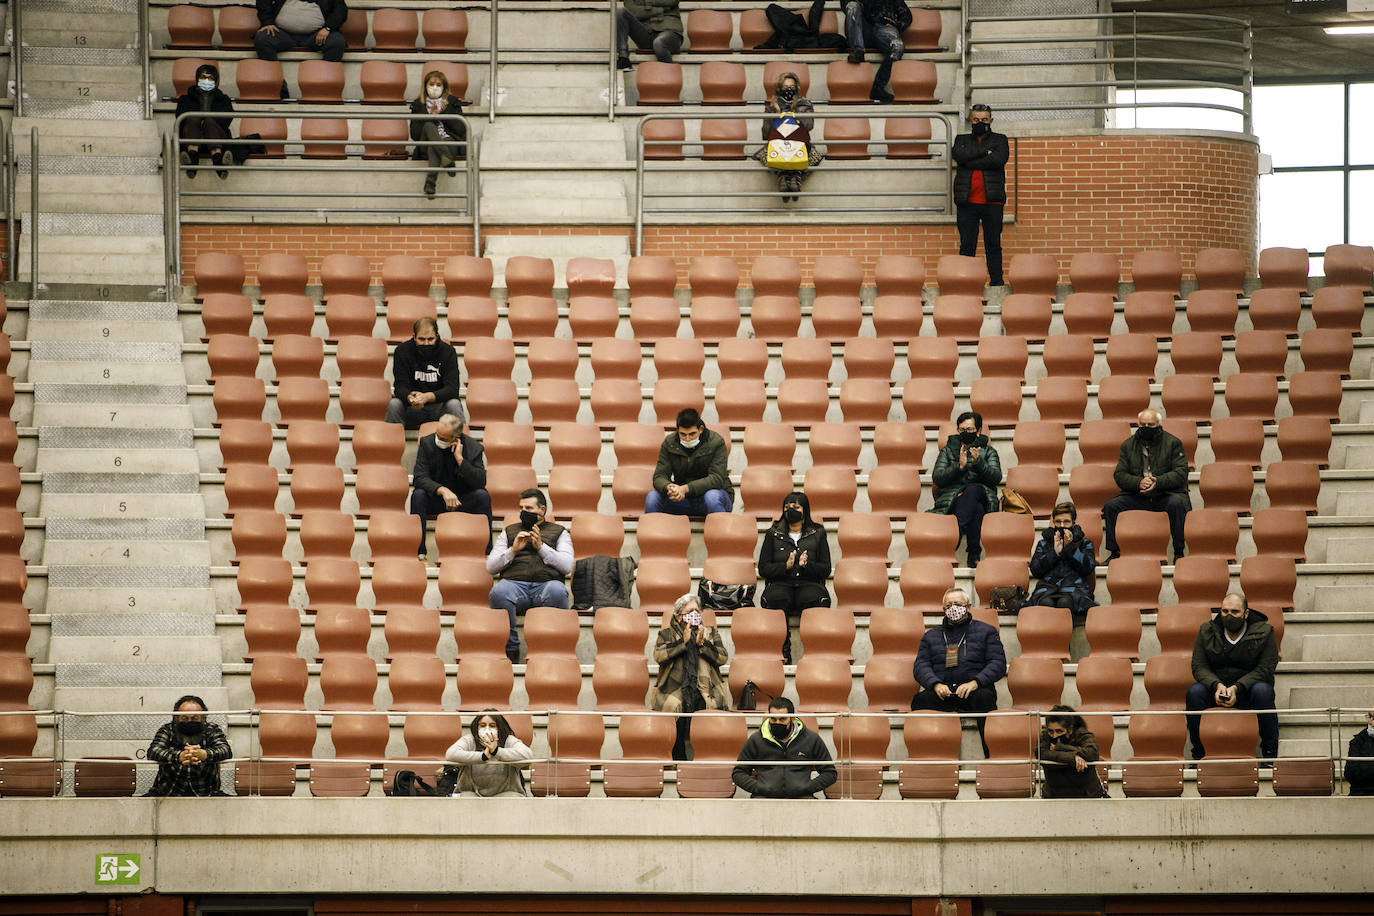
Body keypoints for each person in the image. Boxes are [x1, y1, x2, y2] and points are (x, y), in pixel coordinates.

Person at [911, 588, 1007, 757]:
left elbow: (998, 663)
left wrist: (976, 682)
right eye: (948, 605)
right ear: (943, 609)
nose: (953, 608)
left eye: (958, 604)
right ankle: (926, 757)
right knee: (920, 700)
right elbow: (921, 666)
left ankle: (992, 756)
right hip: (943, 693)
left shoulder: (987, 632)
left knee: (984, 697)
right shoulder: (930, 636)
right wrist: (935, 684)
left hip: (974, 691)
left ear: (968, 607)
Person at [1185, 593, 1279, 762]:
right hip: (1217, 691)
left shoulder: (1265, 632)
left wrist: (1237, 687)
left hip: (1248, 692)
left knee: (1263, 691)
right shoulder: (1207, 630)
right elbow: (1199, 666)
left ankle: (1270, 756)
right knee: (1194, 692)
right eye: (1225, 611)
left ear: (1246, 614)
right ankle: (1198, 755)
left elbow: (1265, 669)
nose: (1229, 616)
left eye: (1235, 612)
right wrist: (1216, 685)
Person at [486, 488, 574, 663]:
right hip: (515, 585)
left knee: (558, 591)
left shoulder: (559, 532)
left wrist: (541, 547)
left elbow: (567, 566)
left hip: (546, 585)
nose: (523, 512)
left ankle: (547, 649)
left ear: (542, 510)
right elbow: (490, 567)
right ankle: (511, 649)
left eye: (529, 508)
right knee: (498, 592)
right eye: (521, 508)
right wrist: (513, 550)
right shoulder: (509, 531)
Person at [1101, 408, 1190, 562]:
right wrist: (1138, 483)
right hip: (1137, 495)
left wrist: (1158, 482)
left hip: (1165, 494)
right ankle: (1115, 553)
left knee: (1176, 504)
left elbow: (1181, 473)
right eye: (1143, 425)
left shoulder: (1173, 443)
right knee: (1111, 506)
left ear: (1159, 425)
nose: (1146, 429)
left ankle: (1178, 552)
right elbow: (1120, 475)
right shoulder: (1128, 445)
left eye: (1150, 425)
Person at [652, 593, 731, 760]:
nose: (695, 614)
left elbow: (723, 657)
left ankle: (704, 759)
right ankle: (678, 759)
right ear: (678, 615)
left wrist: (703, 644)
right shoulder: (666, 634)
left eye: (697, 610)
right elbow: (658, 655)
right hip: (674, 688)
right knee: (676, 713)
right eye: (690, 611)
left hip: (705, 689)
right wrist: (683, 642)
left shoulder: (710, 633)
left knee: (704, 715)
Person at [758, 491, 832, 665]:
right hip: (781, 583)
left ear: (805, 510)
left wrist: (807, 566)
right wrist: (785, 567)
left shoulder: (818, 533)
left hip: (809, 583)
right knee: (775, 598)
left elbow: (826, 568)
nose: (790, 510)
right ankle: (783, 650)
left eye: (796, 507)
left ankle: (815, 652)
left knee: (816, 598)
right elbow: (763, 568)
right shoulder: (772, 533)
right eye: (787, 507)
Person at [409, 413, 491, 561]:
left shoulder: (473, 448)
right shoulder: (427, 443)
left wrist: (460, 460)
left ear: (456, 438)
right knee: (418, 495)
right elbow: (419, 478)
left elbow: (480, 482)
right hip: (437, 499)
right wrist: (442, 490)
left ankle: (486, 551)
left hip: (462, 501)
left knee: (482, 496)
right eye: (437, 434)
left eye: (443, 438)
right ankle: (419, 551)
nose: (438, 439)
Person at [929, 411, 1002, 568]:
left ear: (979, 431)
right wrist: (959, 467)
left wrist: (979, 463)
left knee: (974, 490)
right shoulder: (948, 451)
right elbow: (938, 477)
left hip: (981, 494)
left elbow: (996, 477)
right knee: (977, 508)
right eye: (962, 430)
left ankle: (956, 535)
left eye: (969, 429)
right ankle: (974, 553)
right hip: (954, 499)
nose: (966, 433)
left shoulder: (989, 452)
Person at [731, 697, 836, 798]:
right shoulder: (756, 739)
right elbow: (738, 773)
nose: (777, 723)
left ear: (792, 718)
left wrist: (807, 788)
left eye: (782, 719)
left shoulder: (811, 739)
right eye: (773, 719)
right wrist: (759, 788)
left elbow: (830, 773)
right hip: (763, 798)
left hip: (802, 798)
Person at [952, 103, 1009, 287]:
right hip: (967, 202)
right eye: (976, 120)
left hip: (992, 202)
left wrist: (970, 160)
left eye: (984, 120)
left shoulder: (1000, 140)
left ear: (991, 121)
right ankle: (966, 286)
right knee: (967, 246)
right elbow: (959, 156)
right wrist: (985, 151)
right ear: (970, 120)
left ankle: (996, 283)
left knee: (993, 245)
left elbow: (999, 159)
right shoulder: (961, 139)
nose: (980, 123)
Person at [646, 408, 732, 515]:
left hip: (712, 496)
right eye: (683, 434)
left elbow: (717, 478)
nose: (687, 439)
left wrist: (686, 489)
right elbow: (659, 476)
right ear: (677, 430)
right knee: (652, 497)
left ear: (700, 429)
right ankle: (653, 531)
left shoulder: (716, 442)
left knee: (712, 497)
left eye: (692, 434)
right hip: (682, 499)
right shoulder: (670, 443)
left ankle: (720, 531)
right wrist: (670, 487)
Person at [754, 71, 823, 203]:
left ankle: (788, 178)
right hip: (778, 145)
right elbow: (766, 133)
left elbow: (808, 126)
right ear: (780, 88)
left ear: (796, 88)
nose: (789, 90)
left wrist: (794, 110)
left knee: (813, 156)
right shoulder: (772, 105)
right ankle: (791, 179)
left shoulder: (804, 104)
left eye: (791, 87)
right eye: (786, 87)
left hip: (799, 144)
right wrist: (776, 112)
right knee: (766, 154)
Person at [144, 695, 232, 797]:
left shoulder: (212, 729)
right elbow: (153, 751)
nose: (189, 721)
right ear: (176, 717)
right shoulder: (167, 730)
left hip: (207, 793)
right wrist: (179, 756)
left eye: (195, 718)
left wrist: (203, 754)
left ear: (204, 717)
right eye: (184, 718)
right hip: (167, 793)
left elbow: (226, 750)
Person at [385, 317, 464, 428]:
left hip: (440, 409)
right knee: (394, 404)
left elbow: (452, 389)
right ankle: (392, 444)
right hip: (412, 408)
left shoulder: (448, 352)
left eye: (430, 339)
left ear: (437, 336)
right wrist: (410, 397)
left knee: (454, 405)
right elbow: (400, 387)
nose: (426, 344)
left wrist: (428, 397)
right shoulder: (402, 351)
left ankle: (460, 443)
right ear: (414, 337)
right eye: (421, 339)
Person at [1027, 501, 1098, 618]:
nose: (1062, 525)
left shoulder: (1085, 543)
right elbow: (1035, 570)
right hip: (1047, 589)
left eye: (1066, 522)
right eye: (1058, 522)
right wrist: (1054, 553)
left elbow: (1088, 567)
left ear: (1073, 523)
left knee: (1064, 602)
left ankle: (1063, 635)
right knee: (1046, 603)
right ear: (1053, 522)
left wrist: (1070, 548)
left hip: (1074, 589)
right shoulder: (1044, 543)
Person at [444, 710, 532, 797]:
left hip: (506, 793)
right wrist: (482, 756)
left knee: (513, 798)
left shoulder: (508, 740)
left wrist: (496, 751)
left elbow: (528, 756)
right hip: (472, 794)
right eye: (482, 725)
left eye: (492, 726)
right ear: (477, 727)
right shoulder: (469, 740)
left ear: (499, 727)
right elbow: (450, 754)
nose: (487, 729)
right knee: (466, 797)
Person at [409, 69, 466, 201]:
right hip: (425, 141)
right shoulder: (418, 105)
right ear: (425, 86)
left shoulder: (452, 102)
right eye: (431, 84)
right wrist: (431, 116)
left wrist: (444, 113)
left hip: (448, 140)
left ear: (444, 87)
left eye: (438, 85)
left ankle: (430, 182)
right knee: (429, 126)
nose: (434, 88)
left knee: (433, 147)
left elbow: (460, 129)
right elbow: (414, 134)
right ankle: (446, 157)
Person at [175, 63, 235, 180]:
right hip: (191, 136)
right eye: (203, 77)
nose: (206, 80)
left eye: (210, 78)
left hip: (216, 136)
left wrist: (206, 122)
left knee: (209, 122)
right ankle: (193, 159)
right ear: (197, 79)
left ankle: (217, 161)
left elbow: (226, 120)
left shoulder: (224, 99)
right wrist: (199, 123)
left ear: (215, 81)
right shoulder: (185, 99)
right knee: (192, 118)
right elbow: (180, 118)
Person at [843, 0, 911, 103]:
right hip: (864, 29)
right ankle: (858, 50)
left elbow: (907, 16)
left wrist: (896, 25)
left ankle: (878, 88)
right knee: (852, 6)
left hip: (885, 29)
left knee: (898, 46)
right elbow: (845, 4)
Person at [1038, 705, 1107, 798]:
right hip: (1054, 793)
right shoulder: (1045, 736)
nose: (1054, 736)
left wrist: (1060, 747)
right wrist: (1072, 757)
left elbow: (1092, 753)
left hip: (1086, 794)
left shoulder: (1082, 734)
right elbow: (1041, 753)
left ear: (1070, 730)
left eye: (1059, 731)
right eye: (1051, 731)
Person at [255, 0, 347, 65]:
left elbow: (340, 10)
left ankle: (323, 84)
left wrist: (328, 28)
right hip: (283, 34)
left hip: (316, 35)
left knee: (337, 42)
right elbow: (263, 2)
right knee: (262, 39)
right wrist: (267, 22)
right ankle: (277, 86)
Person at [615, 0, 682, 69]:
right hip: (646, 34)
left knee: (659, 43)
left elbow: (672, 1)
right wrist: (660, 10)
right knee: (620, 12)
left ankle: (668, 76)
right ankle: (623, 58)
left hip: (670, 31)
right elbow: (632, 10)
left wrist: (643, 3)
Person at [1345, 706, 1374, 796]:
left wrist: (1365, 767)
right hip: (1360, 793)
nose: (1371, 722)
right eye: (1370, 717)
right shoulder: (1357, 741)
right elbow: (1350, 773)